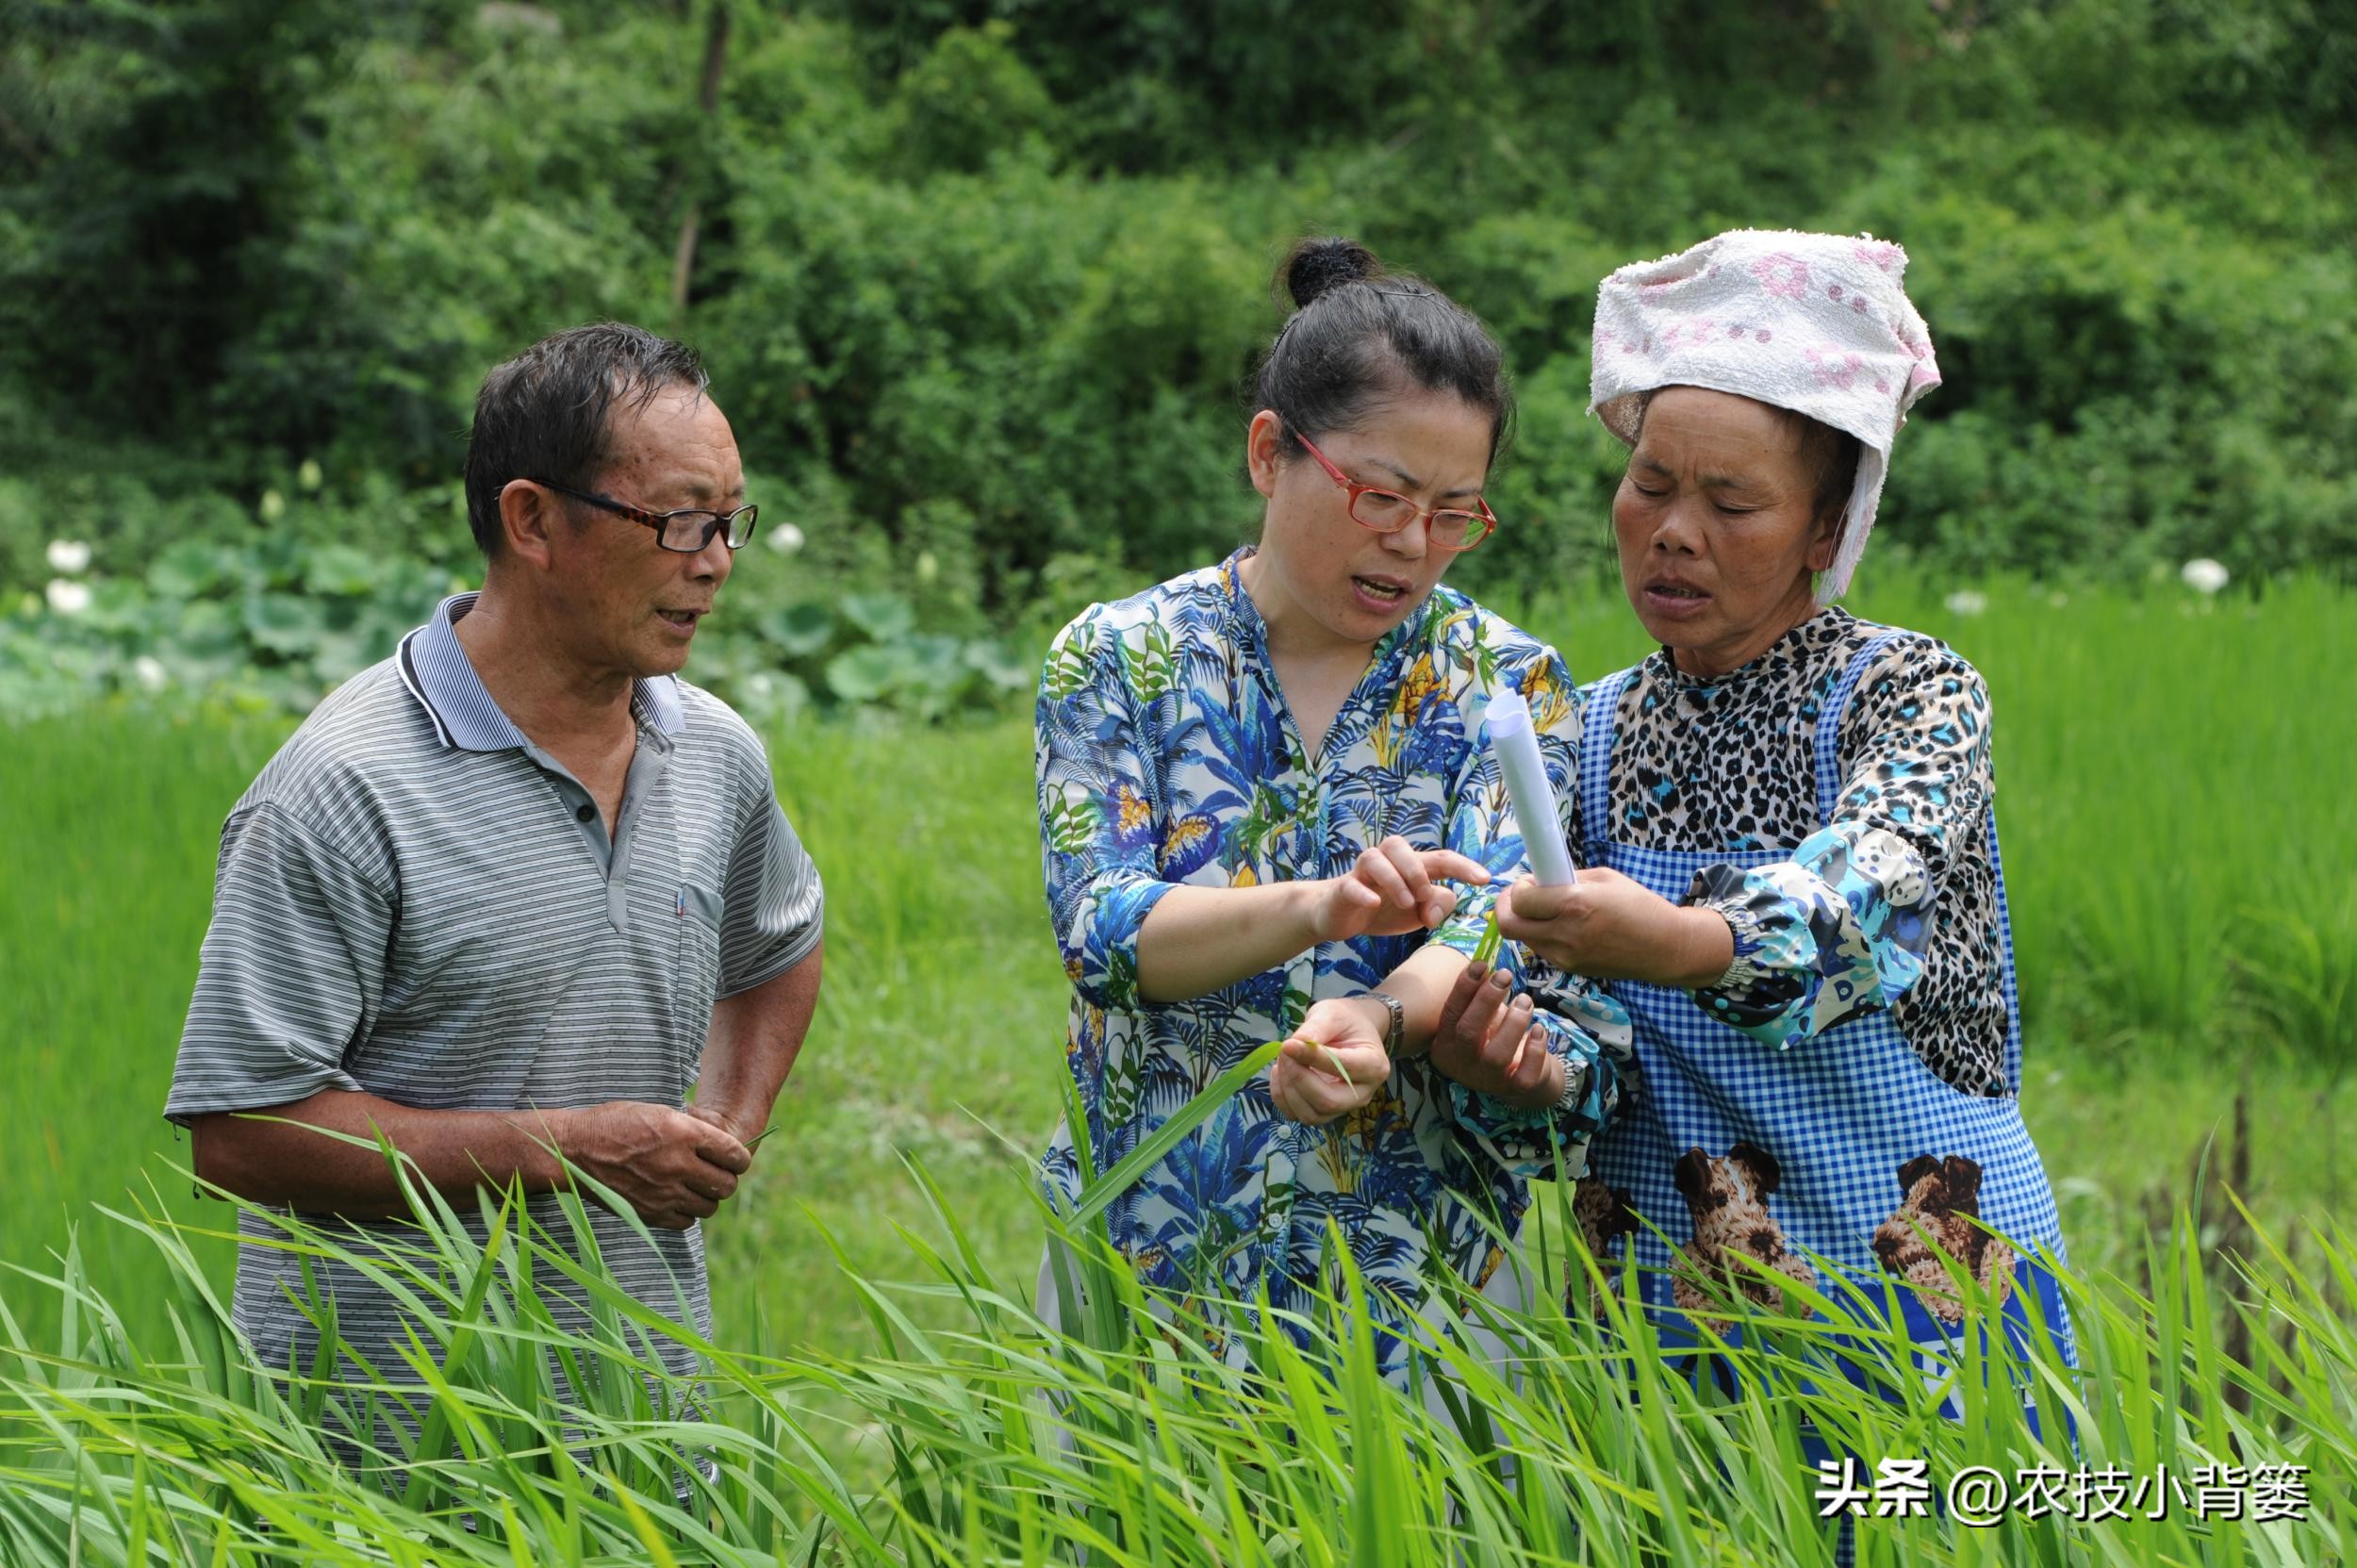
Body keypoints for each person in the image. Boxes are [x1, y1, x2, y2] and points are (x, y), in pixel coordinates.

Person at [163, 322, 825, 1461]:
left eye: (728, 522)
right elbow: (242, 1129)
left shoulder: (715, 753)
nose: (714, 559)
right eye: (676, 520)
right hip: (386, 1447)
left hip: (648, 1426)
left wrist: (722, 1127)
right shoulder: (342, 789)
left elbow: (778, 944)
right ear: (531, 520)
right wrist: (571, 1152)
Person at [1034, 238, 1629, 1378]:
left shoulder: (1502, 685)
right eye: (1381, 495)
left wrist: (1382, 1020)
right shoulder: (1120, 660)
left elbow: (1495, 918)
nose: (1411, 544)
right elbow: (1102, 931)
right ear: (1272, 452)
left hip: (1421, 1276)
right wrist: (1319, 908)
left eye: (1455, 512)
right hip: (1155, 1253)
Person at [1498, 230, 2072, 1394]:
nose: (1672, 528)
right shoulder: (1582, 728)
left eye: (1731, 502)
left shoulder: (1913, 694)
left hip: (1917, 1284)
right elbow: (1567, 1035)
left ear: (1826, 530)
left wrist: (1672, 941)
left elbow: (1860, 901)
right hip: (1665, 1298)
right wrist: (1505, 1046)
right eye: (1650, 483)